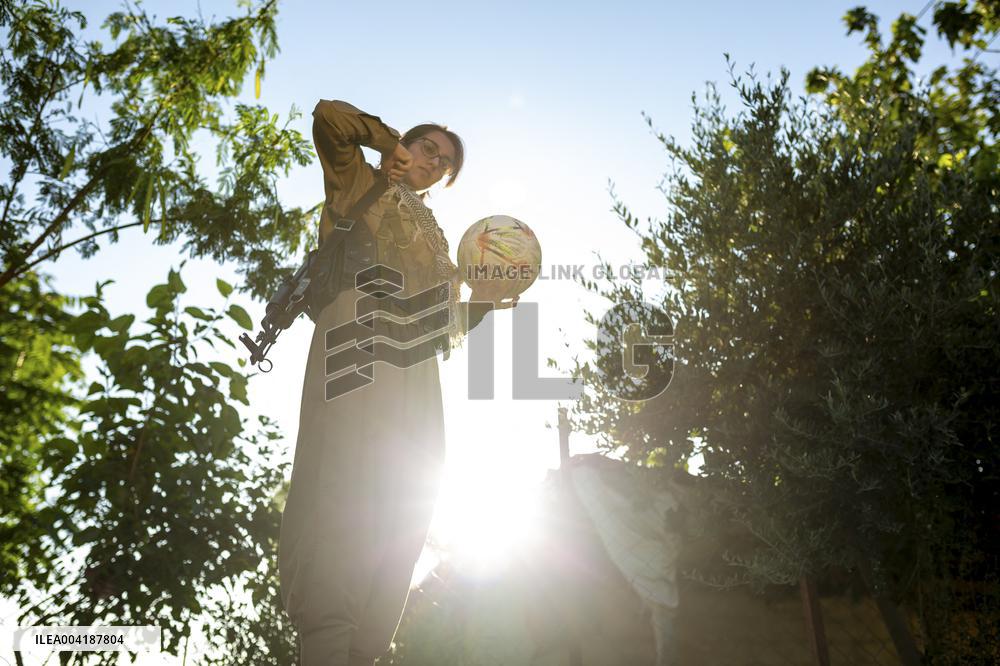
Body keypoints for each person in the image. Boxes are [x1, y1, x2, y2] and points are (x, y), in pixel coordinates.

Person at [278, 98, 516, 666]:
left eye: (444, 163)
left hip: (415, 364)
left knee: (409, 502)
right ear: (407, 145)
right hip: (356, 333)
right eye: (427, 147)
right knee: (344, 486)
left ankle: (366, 649)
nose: (433, 162)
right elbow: (330, 117)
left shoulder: (438, 239)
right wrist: (388, 146)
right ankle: (326, 639)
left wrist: (481, 304)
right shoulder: (357, 179)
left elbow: (440, 325)